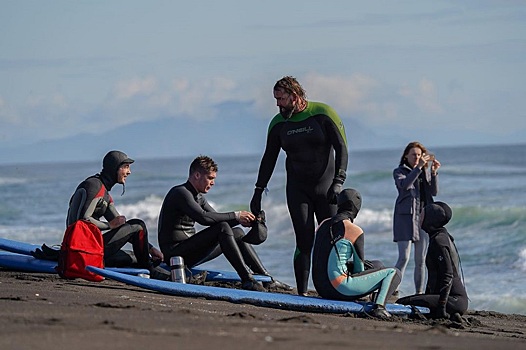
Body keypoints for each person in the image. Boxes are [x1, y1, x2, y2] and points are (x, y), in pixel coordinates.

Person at [250, 76, 348, 295]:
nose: (277, 104)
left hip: (326, 188)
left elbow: (342, 148)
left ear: (295, 97)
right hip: (298, 189)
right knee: (304, 241)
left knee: (334, 240)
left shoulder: (323, 114)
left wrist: (338, 182)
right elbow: (269, 158)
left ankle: (338, 289)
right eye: (276, 99)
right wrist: (258, 191)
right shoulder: (278, 123)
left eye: (281, 99)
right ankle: (302, 292)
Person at [158, 155, 286, 292]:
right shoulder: (180, 193)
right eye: (210, 178)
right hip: (174, 255)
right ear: (196, 175)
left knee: (237, 232)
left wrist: (244, 220)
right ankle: (247, 279)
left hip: (188, 251)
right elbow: (204, 218)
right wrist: (236, 216)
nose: (213, 183)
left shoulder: (198, 197)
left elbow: (215, 219)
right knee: (223, 228)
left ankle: (266, 277)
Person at [66, 150, 169, 280]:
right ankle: (153, 272)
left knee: (135, 257)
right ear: (114, 168)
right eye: (126, 167)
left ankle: (156, 271)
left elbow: (123, 227)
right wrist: (109, 225)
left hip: (91, 248)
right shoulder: (93, 186)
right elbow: (82, 221)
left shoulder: (104, 193)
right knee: (138, 225)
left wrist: (150, 248)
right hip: (81, 250)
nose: (129, 172)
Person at [312, 188, 401, 319]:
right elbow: (359, 269)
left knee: (377, 265)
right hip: (338, 288)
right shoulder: (354, 230)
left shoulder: (323, 224)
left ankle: (376, 297)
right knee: (394, 273)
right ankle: (379, 307)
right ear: (356, 208)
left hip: (320, 287)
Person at [397, 202, 468, 320]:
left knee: (402, 303)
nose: (419, 217)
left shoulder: (439, 241)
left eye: (422, 214)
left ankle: (451, 312)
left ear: (431, 218)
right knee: (413, 301)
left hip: (453, 300)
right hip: (446, 299)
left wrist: (441, 307)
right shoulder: (439, 236)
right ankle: (452, 314)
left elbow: (448, 274)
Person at [393, 141, 440, 295]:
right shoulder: (399, 171)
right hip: (405, 219)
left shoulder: (423, 173)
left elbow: (433, 192)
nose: (416, 157)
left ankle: (419, 293)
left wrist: (433, 172)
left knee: (421, 260)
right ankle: (393, 289)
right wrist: (419, 167)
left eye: (419, 155)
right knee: (404, 258)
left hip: (422, 219)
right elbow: (405, 186)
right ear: (406, 156)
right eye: (413, 155)